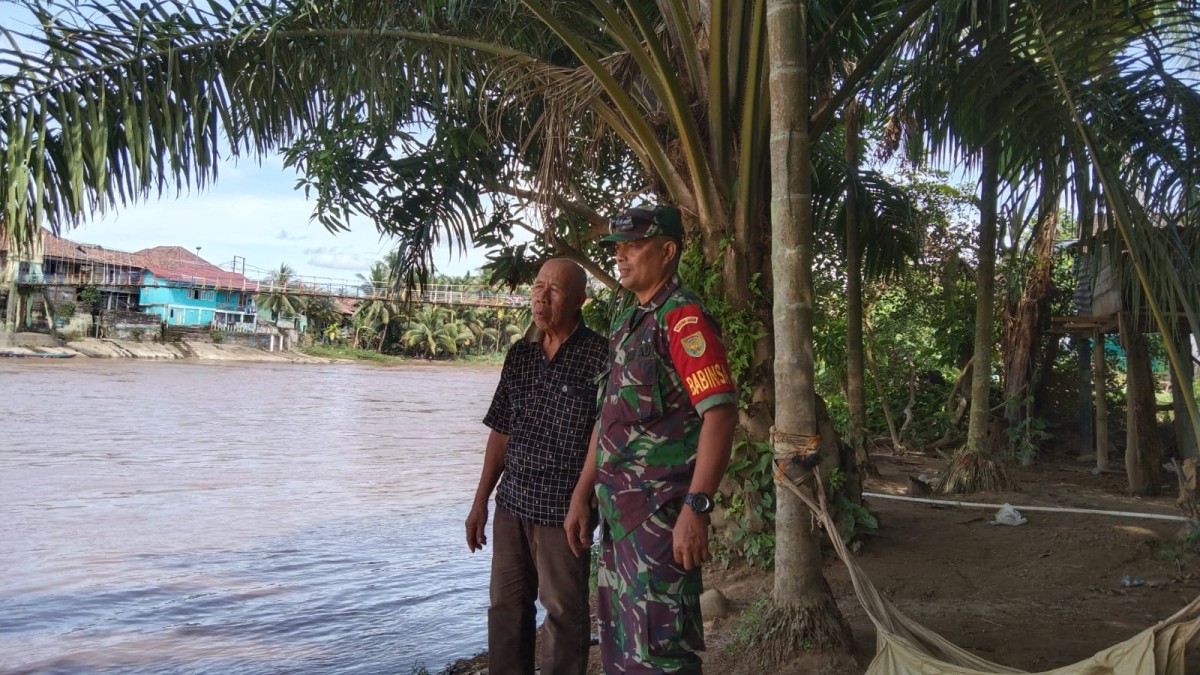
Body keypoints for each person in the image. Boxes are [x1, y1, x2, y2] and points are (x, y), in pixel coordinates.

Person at [564, 205, 738, 673]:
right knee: (622, 653)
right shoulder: (629, 319)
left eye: (633, 245)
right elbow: (608, 417)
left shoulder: (682, 320)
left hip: (661, 522)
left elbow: (720, 415)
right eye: (617, 247)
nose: (620, 255)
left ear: (667, 251)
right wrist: (583, 493)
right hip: (618, 522)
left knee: (659, 656)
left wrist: (696, 509)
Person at [466, 258, 609, 675]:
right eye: (538, 286)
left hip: (564, 512)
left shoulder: (600, 356)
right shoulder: (521, 353)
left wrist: (583, 499)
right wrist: (480, 502)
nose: (541, 297)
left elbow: (602, 438)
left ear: (580, 300)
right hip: (512, 505)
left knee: (564, 614)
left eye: (555, 289)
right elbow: (500, 432)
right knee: (506, 609)